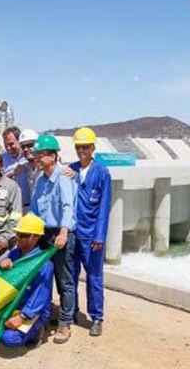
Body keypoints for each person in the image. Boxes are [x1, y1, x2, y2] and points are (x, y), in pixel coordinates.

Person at [30, 133, 77, 344]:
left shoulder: (64, 178)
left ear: (53, 156)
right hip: (44, 234)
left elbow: (68, 207)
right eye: (36, 154)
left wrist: (64, 233)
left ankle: (65, 323)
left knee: (64, 280)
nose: (37, 158)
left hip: (62, 232)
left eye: (40, 154)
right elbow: (34, 210)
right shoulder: (40, 180)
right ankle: (43, 320)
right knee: (44, 278)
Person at [70, 128, 111, 337]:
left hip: (92, 235)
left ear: (93, 147)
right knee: (71, 275)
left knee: (94, 276)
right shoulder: (70, 170)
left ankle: (96, 317)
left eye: (85, 147)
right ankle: (71, 311)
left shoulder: (102, 173)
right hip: (72, 233)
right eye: (79, 147)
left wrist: (99, 236)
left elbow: (104, 206)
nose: (82, 151)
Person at [0, 214, 53, 348]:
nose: (18, 238)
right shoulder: (15, 254)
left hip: (33, 310)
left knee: (9, 339)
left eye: (23, 235)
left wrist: (22, 317)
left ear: (36, 237)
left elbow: (40, 296)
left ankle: (37, 330)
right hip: (14, 305)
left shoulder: (44, 264)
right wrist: (4, 264)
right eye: (17, 234)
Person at [2, 126, 34, 213]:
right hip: (8, 208)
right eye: (6, 145)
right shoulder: (2, 158)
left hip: (28, 207)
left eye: (11, 144)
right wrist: (10, 174)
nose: (9, 148)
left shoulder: (29, 156)